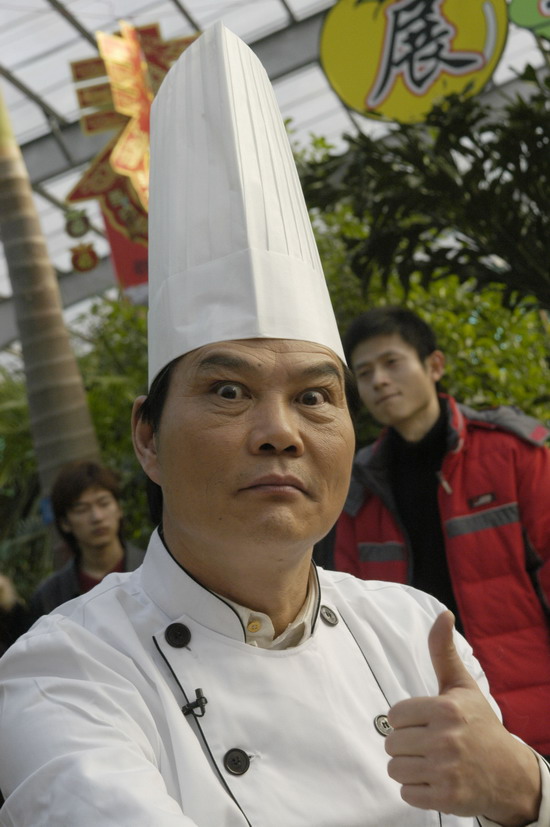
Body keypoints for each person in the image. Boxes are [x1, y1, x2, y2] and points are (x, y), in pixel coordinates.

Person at [0, 23, 548, 827]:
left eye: (316, 396)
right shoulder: (64, 671)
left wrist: (529, 791)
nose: (280, 430)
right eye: (228, 390)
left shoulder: (412, 629)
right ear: (148, 436)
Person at [334, 306, 550, 759]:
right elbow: (353, 610)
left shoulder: (509, 453)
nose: (379, 381)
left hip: (533, 701)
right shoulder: (357, 489)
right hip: (426, 710)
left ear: (434, 365)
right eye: (365, 373)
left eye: (392, 363)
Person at [28, 460, 145, 621]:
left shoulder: (153, 568)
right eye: (81, 509)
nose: (97, 517)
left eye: (104, 503)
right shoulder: (50, 596)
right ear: (65, 523)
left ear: (119, 509)